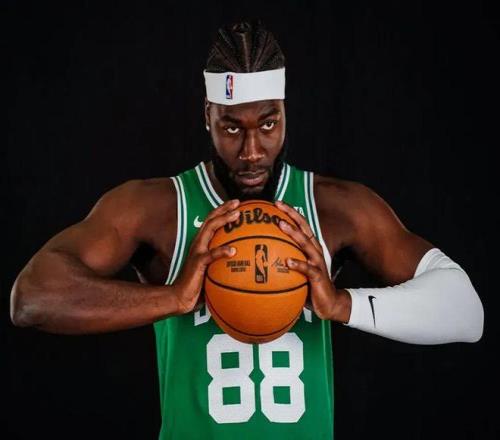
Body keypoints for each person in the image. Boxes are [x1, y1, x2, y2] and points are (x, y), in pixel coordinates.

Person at [10, 20, 484, 439]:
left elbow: (466, 311)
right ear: (207, 116)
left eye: (269, 124)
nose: (252, 151)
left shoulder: (335, 208)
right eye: (232, 128)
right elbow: (32, 298)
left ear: (285, 112)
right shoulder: (155, 208)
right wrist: (174, 297)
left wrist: (342, 304)